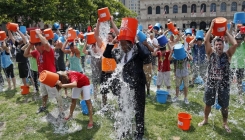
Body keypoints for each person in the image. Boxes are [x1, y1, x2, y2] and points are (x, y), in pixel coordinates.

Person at [103, 36, 151, 139]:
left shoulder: (137, 52)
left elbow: (146, 54)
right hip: (124, 86)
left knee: (139, 110)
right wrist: (112, 42)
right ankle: (125, 129)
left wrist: (137, 41)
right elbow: (106, 54)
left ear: (131, 43)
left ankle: (139, 133)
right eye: (121, 44)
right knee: (123, 107)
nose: (123, 47)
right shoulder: (118, 52)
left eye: (125, 44)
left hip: (138, 85)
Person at [198, 19, 238, 133]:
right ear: (214, 46)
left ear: (223, 45)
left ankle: (225, 123)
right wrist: (211, 27)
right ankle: (205, 119)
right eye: (216, 44)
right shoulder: (210, 54)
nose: (218, 46)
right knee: (208, 103)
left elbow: (235, 44)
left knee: (224, 106)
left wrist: (225, 32)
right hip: (211, 82)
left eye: (220, 44)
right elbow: (206, 41)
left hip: (224, 84)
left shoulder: (228, 54)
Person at [24, 29, 63, 116]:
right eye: (36, 44)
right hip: (42, 76)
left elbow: (46, 43)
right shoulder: (36, 52)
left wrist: (38, 34)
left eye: (38, 44)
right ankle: (44, 106)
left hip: (51, 76)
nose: (37, 46)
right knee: (44, 94)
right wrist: (30, 44)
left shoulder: (49, 51)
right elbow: (25, 54)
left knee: (56, 95)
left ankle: (61, 110)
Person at [95, 17, 120, 107]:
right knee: (103, 92)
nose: (108, 38)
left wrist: (112, 21)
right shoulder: (103, 45)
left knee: (117, 92)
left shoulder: (116, 45)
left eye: (110, 37)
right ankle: (104, 106)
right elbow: (96, 36)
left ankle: (120, 106)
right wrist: (98, 23)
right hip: (104, 73)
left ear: (114, 38)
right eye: (107, 37)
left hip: (113, 73)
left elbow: (118, 34)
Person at [230, 33, 245, 104]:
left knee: (239, 83)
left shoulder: (243, 46)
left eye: (239, 40)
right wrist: (232, 27)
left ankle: (240, 97)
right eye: (237, 40)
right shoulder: (232, 45)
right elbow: (229, 36)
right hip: (232, 67)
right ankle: (226, 95)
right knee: (228, 82)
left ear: (241, 40)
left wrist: (243, 32)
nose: (238, 41)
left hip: (241, 67)